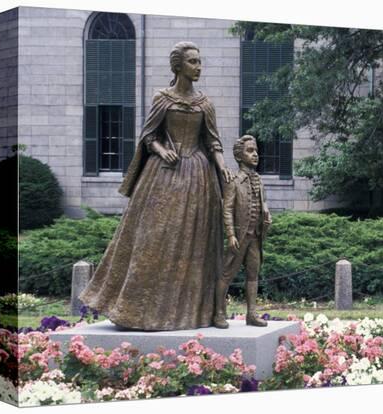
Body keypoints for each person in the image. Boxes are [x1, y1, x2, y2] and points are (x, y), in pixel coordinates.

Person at [79, 42, 233, 331]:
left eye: (200, 61)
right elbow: (148, 136)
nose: (198, 67)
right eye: (192, 62)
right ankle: (135, 309)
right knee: (153, 238)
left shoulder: (205, 104)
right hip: (163, 175)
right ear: (178, 66)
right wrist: (162, 151)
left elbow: (213, 141)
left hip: (199, 176)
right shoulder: (162, 99)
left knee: (195, 243)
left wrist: (222, 165)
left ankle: (191, 312)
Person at [213, 135, 272, 329]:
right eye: (249, 151)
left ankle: (252, 314)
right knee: (226, 274)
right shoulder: (234, 181)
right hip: (239, 237)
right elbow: (227, 209)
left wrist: (266, 214)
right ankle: (219, 313)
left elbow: (262, 203)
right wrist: (230, 234)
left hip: (255, 237)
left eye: (255, 150)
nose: (255, 154)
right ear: (239, 156)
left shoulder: (259, 180)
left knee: (253, 274)